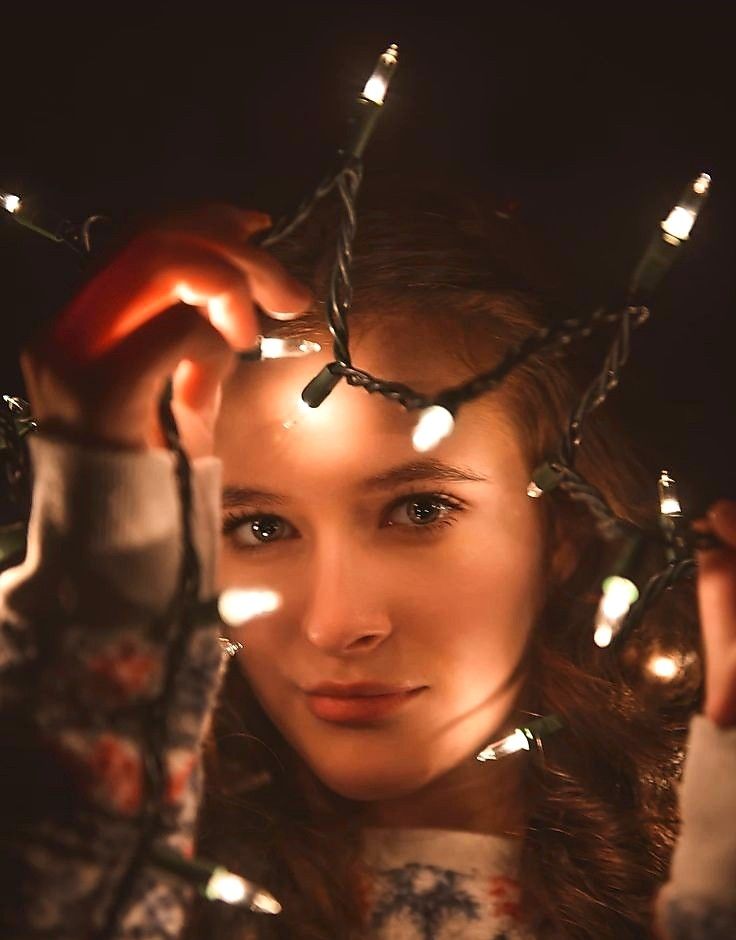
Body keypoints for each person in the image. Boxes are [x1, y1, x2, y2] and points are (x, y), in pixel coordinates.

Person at [1, 181, 735, 940]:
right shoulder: (114, 863)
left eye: (419, 510)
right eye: (257, 527)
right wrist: (98, 496)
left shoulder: (702, 846)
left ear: (563, 525)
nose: (335, 625)